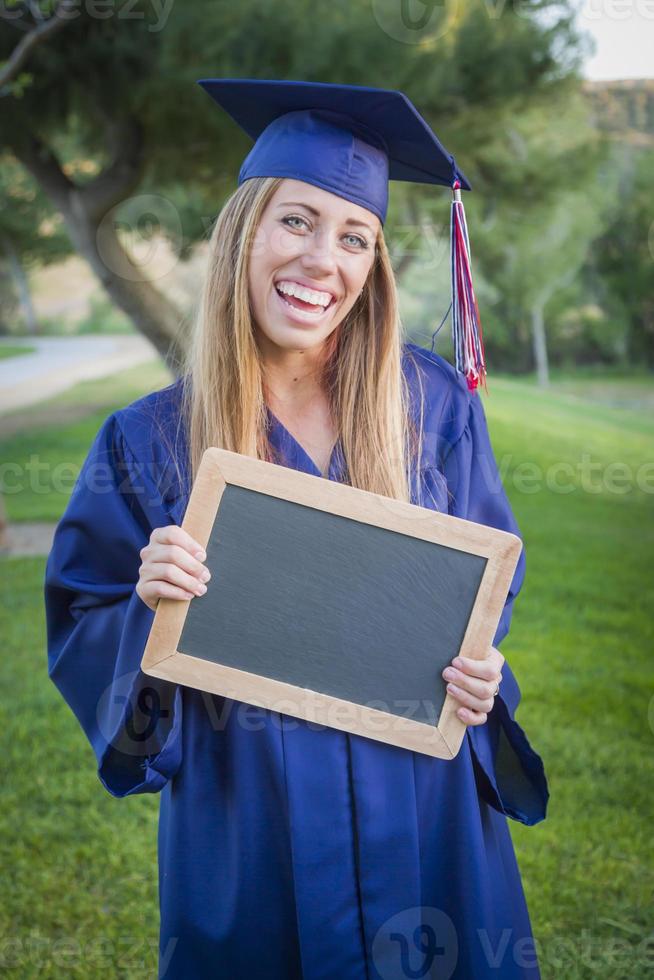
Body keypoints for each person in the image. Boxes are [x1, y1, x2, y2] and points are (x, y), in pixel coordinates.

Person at [44, 79, 549, 980]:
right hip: (251, 816)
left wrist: (478, 667)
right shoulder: (148, 439)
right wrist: (147, 610)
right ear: (244, 232)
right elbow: (87, 618)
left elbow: (483, 585)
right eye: (296, 222)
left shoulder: (430, 406)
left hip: (423, 808)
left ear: (374, 266)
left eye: (354, 237)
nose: (323, 259)